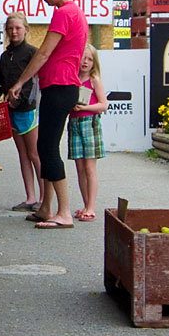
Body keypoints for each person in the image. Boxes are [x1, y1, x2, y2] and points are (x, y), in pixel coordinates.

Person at [7, 0, 90, 229]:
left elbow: (42, 53)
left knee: (48, 148)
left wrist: (20, 81)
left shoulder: (64, 14)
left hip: (61, 85)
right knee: (45, 146)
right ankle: (46, 207)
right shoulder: (74, 12)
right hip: (60, 85)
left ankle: (63, 212)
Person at [0, 12, 41, 211]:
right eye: (10, 28)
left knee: (35, 154)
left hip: (27, 111)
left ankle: (45, 198)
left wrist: (18, 101)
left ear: (26, 29)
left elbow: (34, 83)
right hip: (9, 112)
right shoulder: (5, 56)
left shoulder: (32, 53)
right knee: (22, 155)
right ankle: (30, 197)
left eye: (18, 28)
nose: (14, 32)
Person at [69, 43, 107, 221]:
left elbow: (103, 104)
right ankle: (85, 204)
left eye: (90, 59)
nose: (85, 62)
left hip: (89, 122)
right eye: (83, 58)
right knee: (79, 167)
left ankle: (91, 207)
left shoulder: (94, 80)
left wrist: (86, 107)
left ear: (94, 62)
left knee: (90, 167)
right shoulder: (73, 79)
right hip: (74, 122)